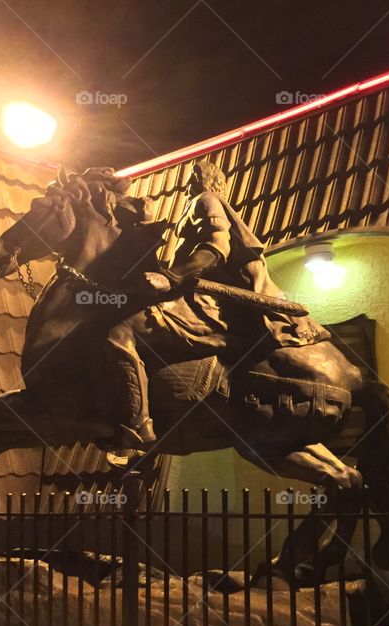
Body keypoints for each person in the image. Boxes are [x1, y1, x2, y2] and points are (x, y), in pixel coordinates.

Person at [102, 161, 330, 448]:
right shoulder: (198, 204)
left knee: (121, 328)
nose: (188, 186)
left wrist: (172, 277)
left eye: (192, 179)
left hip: (212, 302)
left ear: (203, 181)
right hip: (200, 296)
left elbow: (217, 248)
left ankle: (137, 427)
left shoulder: (205, 200)